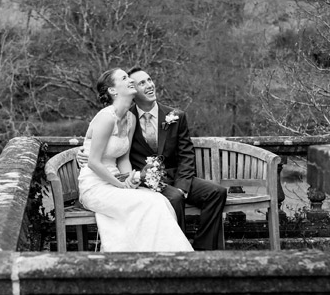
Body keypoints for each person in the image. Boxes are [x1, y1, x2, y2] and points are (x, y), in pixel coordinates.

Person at [79, 67, 227, 250]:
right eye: (139, 82)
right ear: (116, 90)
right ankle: (173, 252)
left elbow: (186, 154)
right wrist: (129, 180)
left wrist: (182, 186)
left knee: (215, 192)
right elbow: (96, 150)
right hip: (138, 179)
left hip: (165, 176)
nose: (148, 85)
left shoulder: (171, 116)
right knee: (170, 199)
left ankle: (205, 250)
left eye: (149, 80)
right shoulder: (120, 115)